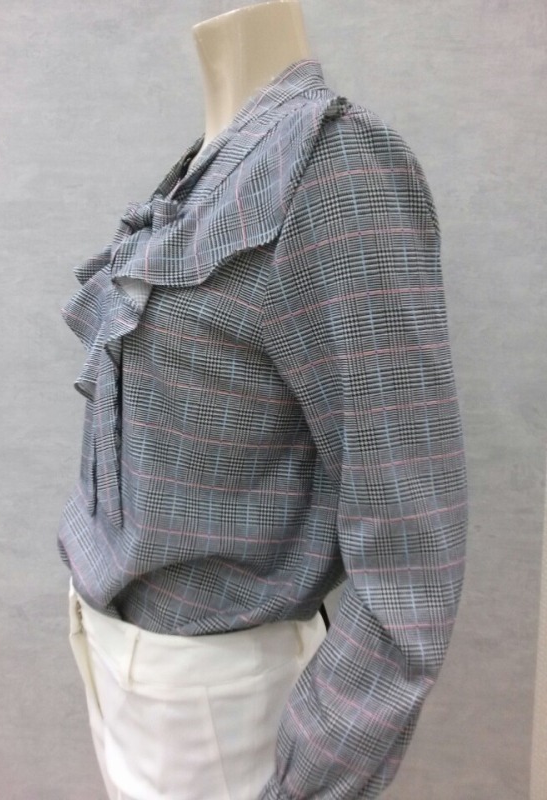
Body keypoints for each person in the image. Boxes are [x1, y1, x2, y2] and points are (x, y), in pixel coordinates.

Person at [60, 2, 468, 798]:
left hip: (219, 703)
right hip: (114, 659)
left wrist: (318, 773)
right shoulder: (210, 169)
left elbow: (412, 541)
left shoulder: (335, 169)